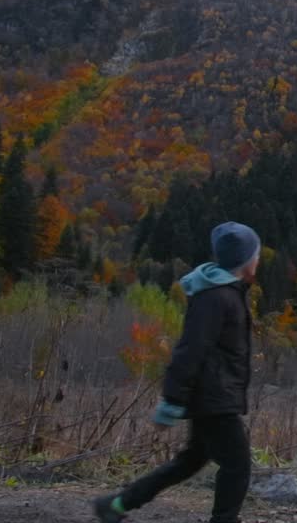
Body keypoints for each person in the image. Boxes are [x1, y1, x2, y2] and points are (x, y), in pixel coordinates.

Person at [94, 222, 260, 523]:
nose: (257, 261)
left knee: (190, 461)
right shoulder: (216, 298)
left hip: (213, 395)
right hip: (213, 398)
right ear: (245, 261)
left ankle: (116, 505)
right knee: (237, 466)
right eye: (256, 255)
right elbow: (190, 349)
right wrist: (171, 399)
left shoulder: (226, 293)